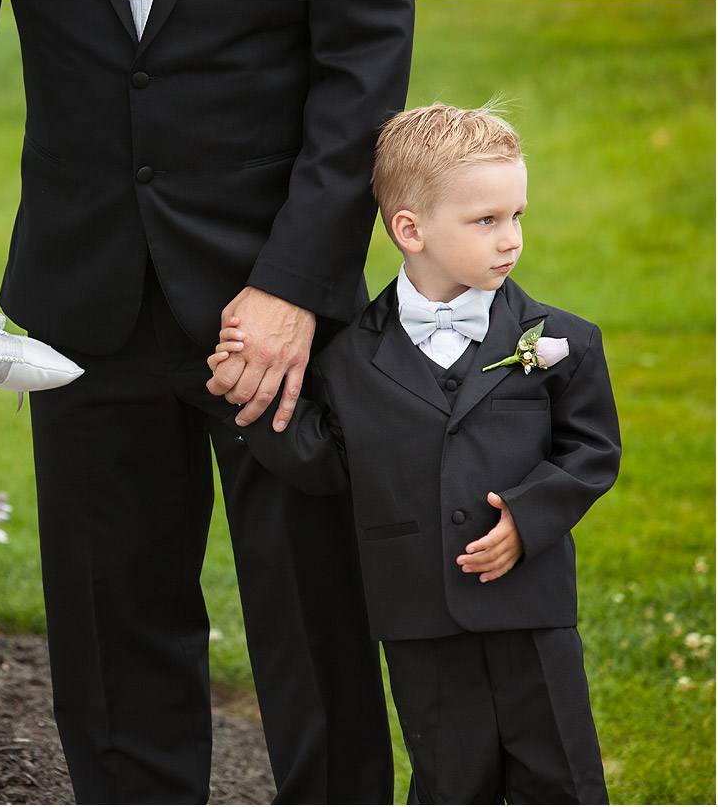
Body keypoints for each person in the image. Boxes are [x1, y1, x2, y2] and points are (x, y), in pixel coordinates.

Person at [0, 0, 414, 802]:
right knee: (111, 633)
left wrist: (295, 284)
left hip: (279, 305)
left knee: (314, 626)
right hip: (83, 286)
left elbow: (364, 70)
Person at [209, 103, 620, 804]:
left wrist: (527, 518)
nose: (511, 239)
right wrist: (244, 397)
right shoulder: (347, 360)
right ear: (410, 228)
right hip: (418, 613)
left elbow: (591, 451)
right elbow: (325, 459)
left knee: (561, 777)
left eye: (517, 215)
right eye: (486, 220)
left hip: (531, 610)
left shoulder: (563, 343)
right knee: (450, 779)